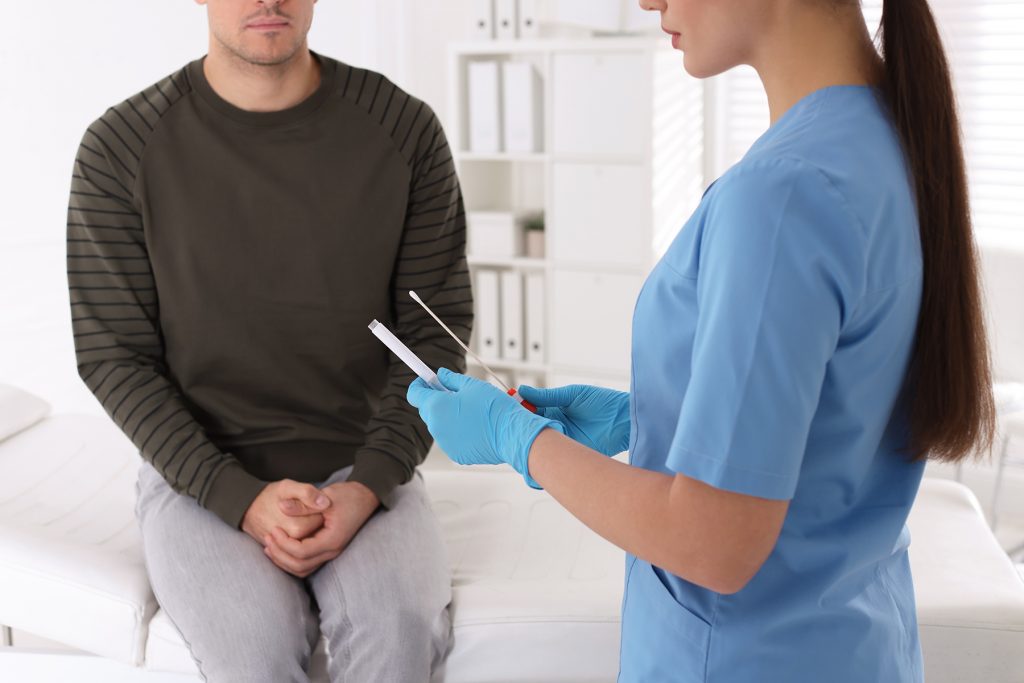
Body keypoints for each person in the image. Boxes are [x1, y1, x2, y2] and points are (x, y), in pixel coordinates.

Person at [406, 0, 995, 680]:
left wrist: (519, 437)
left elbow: (713, 542)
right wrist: (649, 417)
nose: (646, 1)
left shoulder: (781, 195)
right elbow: (839, 407)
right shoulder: (884, 138)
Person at [66, 0, 471, 680]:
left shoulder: (403, 129)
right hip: (199, 477)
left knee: (396, 632)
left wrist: (370, 484)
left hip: (363, 465)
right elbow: (115, 357)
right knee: (252, 651)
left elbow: (432, 337)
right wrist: (236, 496)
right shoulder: (120, 148)